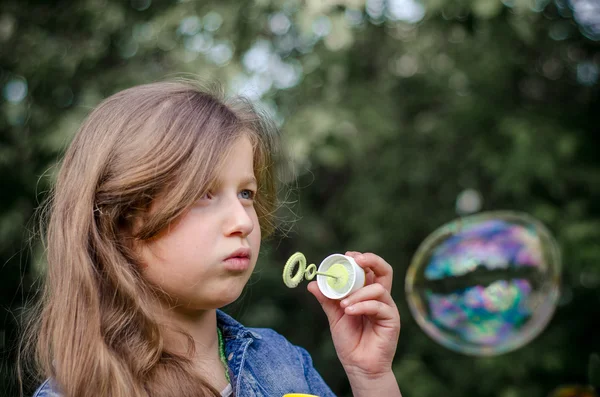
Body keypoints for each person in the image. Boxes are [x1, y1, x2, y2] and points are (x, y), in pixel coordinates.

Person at [20, 80, 402, 397]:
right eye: (204, 193)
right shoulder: (79, 392)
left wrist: (370, 377)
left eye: (246, 194)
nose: (243, 221)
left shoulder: (281, 361)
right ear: (122, 220)